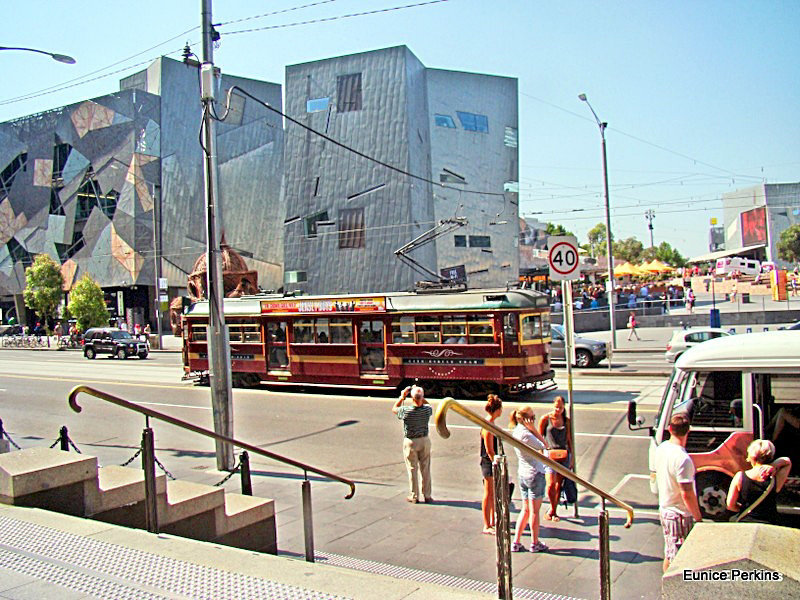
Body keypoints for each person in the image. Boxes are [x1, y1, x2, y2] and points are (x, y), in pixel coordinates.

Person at [654, 413, 703, 572]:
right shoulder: (683, 459)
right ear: (688, 431)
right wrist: (698, 517)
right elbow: (686, 493)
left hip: (665, 509)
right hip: (679, 515)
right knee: (679, 559)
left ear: (670, 429)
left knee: (669, 553)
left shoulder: (662, 449)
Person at [509, 405, 550, 552]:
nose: (533, 420)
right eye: (532, 417)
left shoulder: (517, 431)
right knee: (534, 511)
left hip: (523, 473)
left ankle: (516, 541)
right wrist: (534, 429)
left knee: (525, 509)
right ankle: (535, 542)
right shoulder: (526, 434)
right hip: (535, 473)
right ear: (526, 419)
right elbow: (545, 446)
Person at [726, 439, 791, 525]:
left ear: (751, 457)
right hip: (769, 523)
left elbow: (730, 505)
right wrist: (773, 465)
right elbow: (787, 462)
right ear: (771, 456)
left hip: (746, 522)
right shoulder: (774, 479)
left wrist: (746, 509)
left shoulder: (739, 477)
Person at [392, 385, 433, 504]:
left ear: (412, 398)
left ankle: (414, 496)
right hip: (424, 440)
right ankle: (427, 495)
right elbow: (428, 404)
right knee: (425, 469)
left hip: (410, 442)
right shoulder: (427, 410)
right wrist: (421, 396)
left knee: (412, 469)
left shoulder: (406, 411)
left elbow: (394, 408)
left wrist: (402, 396)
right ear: (422, 397)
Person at [538, 396, 572, 522]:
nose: (558, 409)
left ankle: (553, 510)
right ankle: (552, 509)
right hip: (549, 455)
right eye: (556, 406)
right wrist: (541, 453)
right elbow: (540, 437)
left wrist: (571, 457)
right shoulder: (545, 419)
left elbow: (569, 440)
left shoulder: (566, 421)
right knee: (550, 484)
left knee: (559, 485)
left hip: (563, 455)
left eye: (561, 407)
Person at [480, 394, 503, 534]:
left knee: (492, 493)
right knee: (488, 493)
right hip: (488, 463)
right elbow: (489, 450)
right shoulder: (489, 426)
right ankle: (487, 524)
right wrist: (496, 462)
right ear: (497, 409)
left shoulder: (490, 423)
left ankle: (492, 520)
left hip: (489, 462)